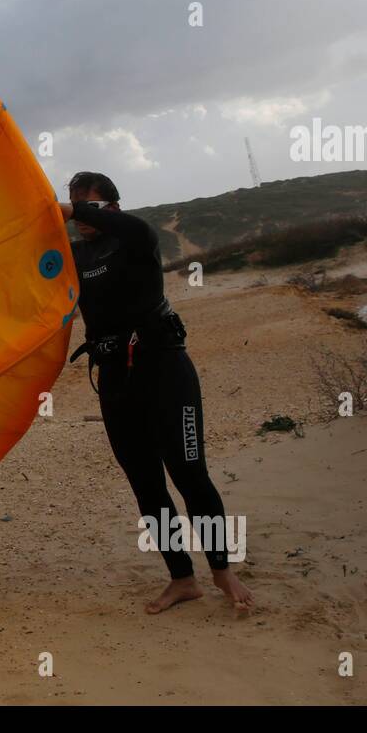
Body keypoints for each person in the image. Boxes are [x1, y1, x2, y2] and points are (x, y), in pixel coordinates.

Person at [59, 172, 254, 613]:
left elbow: (122, 226)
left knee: (189, 475)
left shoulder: (136, 235)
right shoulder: (75, 254)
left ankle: (222, 569)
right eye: (73, 206)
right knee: (145, 483)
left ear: (111, 205)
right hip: (114, 376)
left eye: (86, 204)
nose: (78, 215)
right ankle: (182, 579)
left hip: (164, 370)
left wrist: (73, 210)